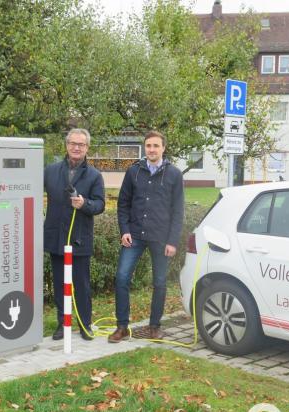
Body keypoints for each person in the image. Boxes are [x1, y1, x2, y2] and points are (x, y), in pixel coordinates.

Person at [108, 130, 184, 342]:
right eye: (148, 146)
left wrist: (172, 241)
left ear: (163, 148)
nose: (151, 149)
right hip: (135, 235)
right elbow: (123, 204)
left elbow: (178, 211)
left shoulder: (174, 175)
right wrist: (124, 230)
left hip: (161, 238)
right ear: (145, 148)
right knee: (122, 278)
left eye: (155, 146)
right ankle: (122, 327)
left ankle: (154, 326)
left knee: (159, 282)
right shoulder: (134, 171)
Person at [44, 128, 105, 341]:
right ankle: (63, 323)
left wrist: (85, 203)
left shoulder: (94, 175)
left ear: (87, 148)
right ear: (66, 145)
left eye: (81, 144)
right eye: (73, 143)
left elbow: (100, 204)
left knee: (81, 284)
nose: (76, 148)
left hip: (79, 238)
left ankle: (85, 324)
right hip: (55, 237)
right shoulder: (50, 170)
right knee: (60, 283)